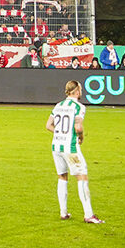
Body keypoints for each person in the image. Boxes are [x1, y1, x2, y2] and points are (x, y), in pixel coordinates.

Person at [47, 79, 102, 224]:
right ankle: (88, 214)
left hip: (56, 146)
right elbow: (78, 128)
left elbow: (48, 125)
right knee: (82, 177)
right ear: (76, 91)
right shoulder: (79, 107)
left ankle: (63, 212)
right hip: (70, 148)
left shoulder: (58, 105)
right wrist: (81, 137)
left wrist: (59, 133)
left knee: (62, 177)